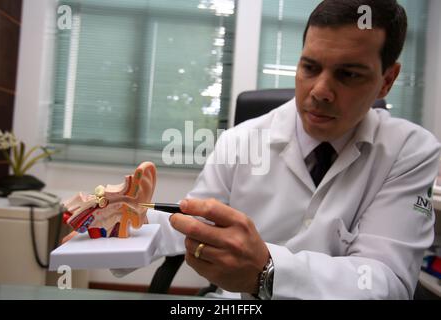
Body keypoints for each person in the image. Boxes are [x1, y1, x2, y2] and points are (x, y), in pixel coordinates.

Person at [131, 0, 440, 299]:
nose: (320, 91)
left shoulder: (409, 151)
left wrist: (268, 271)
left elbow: (385, 282)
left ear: (387, 80)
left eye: (349, 74)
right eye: (310, 67)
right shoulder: (239, 141)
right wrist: (119, 219)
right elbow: (190, 222)